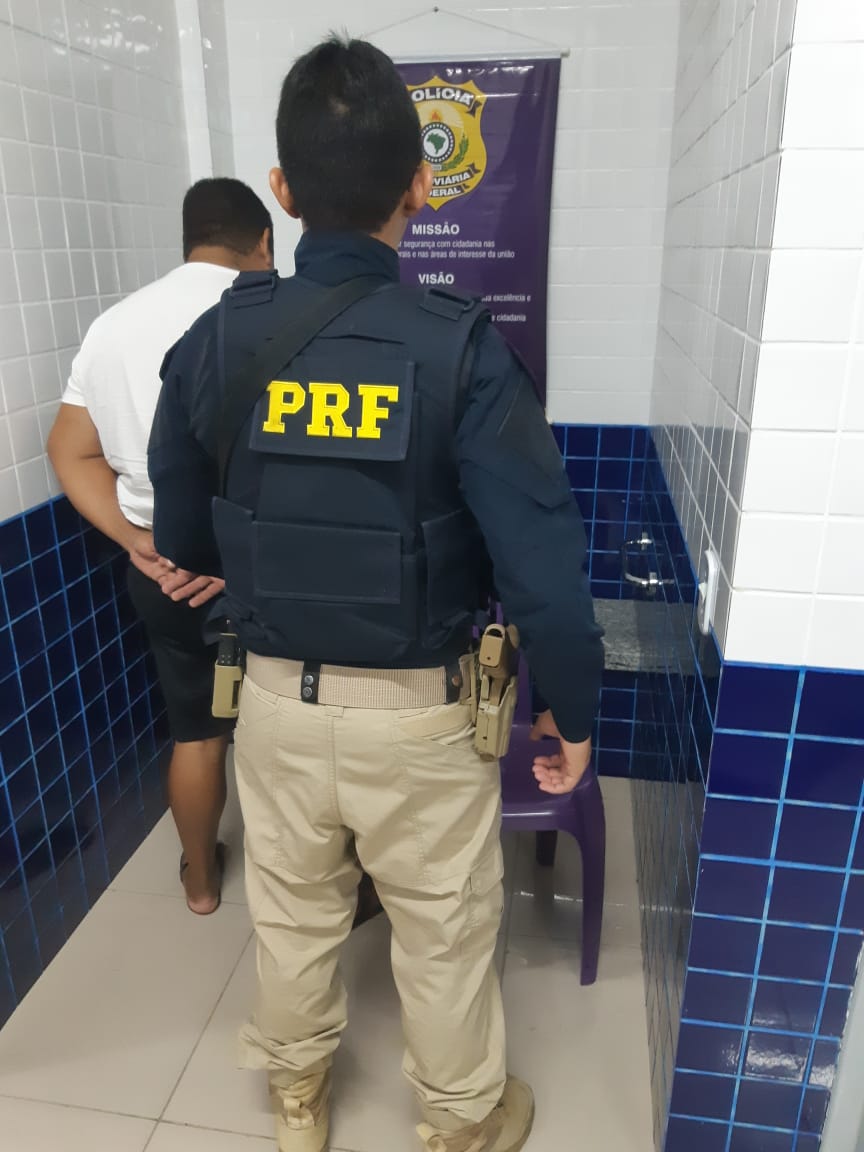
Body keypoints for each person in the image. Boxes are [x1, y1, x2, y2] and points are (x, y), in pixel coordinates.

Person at [148, 36, 604, 1152]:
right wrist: (571, 712)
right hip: (422, 720)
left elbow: (187, 533)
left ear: (284, 188)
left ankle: (298, 1100)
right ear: (420, 186)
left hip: (272, 705)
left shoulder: (214, 341)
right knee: (444, 931)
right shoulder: (462, 352)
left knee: (292, 915)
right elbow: (541, 565)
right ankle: (458, 1124)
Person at [47, 178, 273, 915]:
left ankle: (200, 885)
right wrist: (234, 558)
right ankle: (295, 888)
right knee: (292, 732)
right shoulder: (277, 313)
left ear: (189, 240)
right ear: (263, 241)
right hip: (266, 573)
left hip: (164, 574)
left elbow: (69, 450)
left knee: (197, 733)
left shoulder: (113, 326)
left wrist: (139, 542)